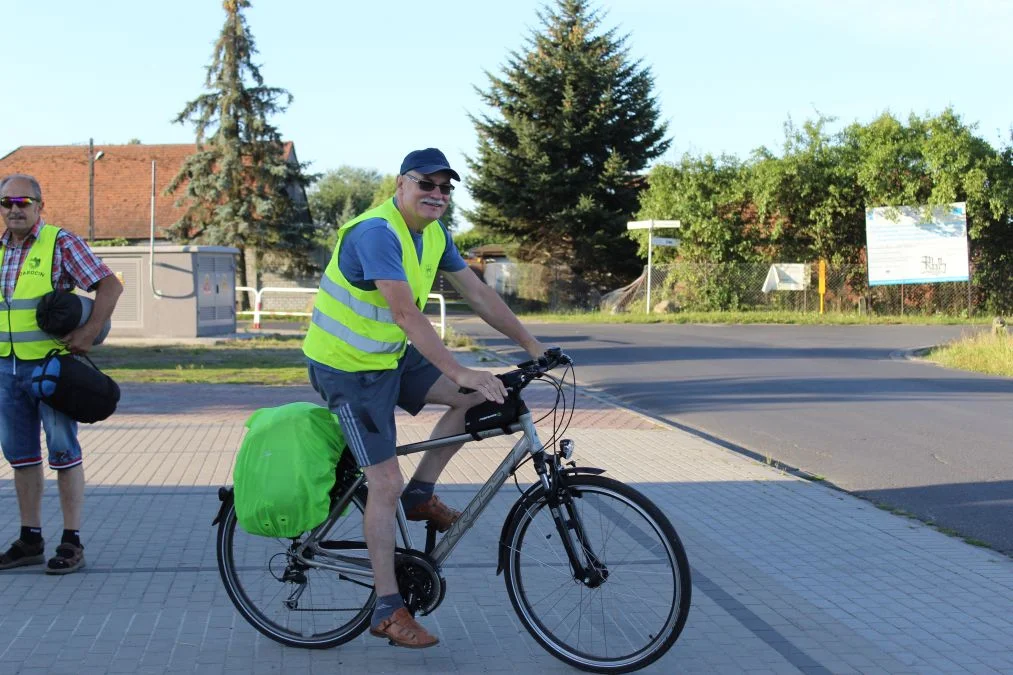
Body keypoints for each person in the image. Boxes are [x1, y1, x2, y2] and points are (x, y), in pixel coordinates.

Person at [303, 148, 547, 648]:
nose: (437, 194)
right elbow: (406, 314)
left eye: (445, 187)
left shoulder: (434, 233)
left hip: (389, 359)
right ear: (401, 185)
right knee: (383, 481)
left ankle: (422, 494)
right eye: (426, 184)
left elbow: (478, 296)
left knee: (475, 401)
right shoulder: (377, 232)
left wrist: (532, 346)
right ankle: (389, 608)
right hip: (347, 371)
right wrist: (459, 368)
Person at [0, 174, 123, 575]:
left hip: (51, 368)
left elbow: (108, 285)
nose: (14, 209)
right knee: (20, 457)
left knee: (63, 452)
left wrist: (88, 333)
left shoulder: (61, 242)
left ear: (39, 205)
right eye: (7, 203)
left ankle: (71, 542)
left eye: (23, 202)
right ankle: (30, 539)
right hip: (6, 368)